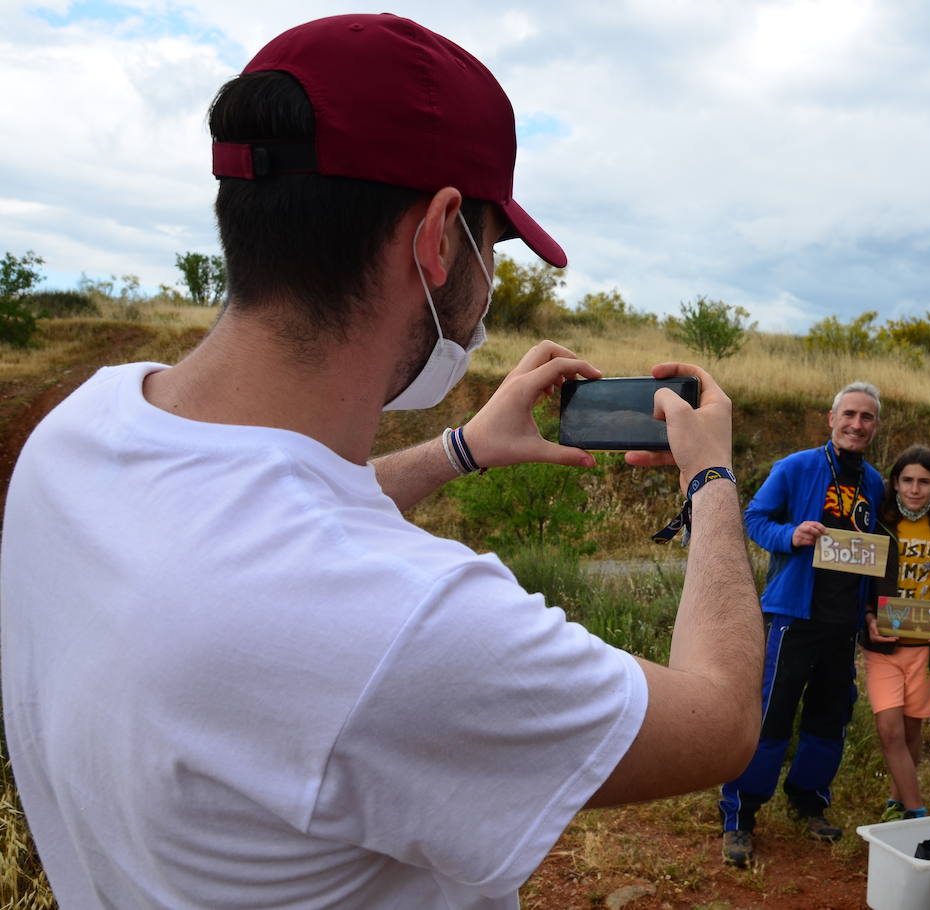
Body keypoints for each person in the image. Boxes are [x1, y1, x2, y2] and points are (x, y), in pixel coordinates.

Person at [0, 15, 763, 909]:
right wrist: (710, 477)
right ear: (439, 237)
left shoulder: (76, 431)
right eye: (494, 244)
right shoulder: (406, 624)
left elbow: (265, 531)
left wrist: (461, 451)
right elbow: (722, 723)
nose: (489, 287)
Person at [717, 382, 887, 866]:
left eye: (867, 417)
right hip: (795, 615)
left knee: (829, 716)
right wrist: (790, 534)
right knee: (773, 715)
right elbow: (753, 518)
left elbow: (885, 542)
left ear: (875, 426)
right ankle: (740, 815)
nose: (857, 424)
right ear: (830, 419)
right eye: (849, 414)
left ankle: (808, 800)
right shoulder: (795, 467)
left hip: (843, 622)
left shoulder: (873, 483)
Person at [860, 445, 930, 822]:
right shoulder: (880, 526)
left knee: (909, 732)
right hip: (885, 646)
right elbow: (862, 582)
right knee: (888, 730)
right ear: (895, 482)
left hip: (927, 648)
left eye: (924, 481)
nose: (915, 488)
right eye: (907, 480)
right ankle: (916, 811)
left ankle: (895, 799)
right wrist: (869, 616)